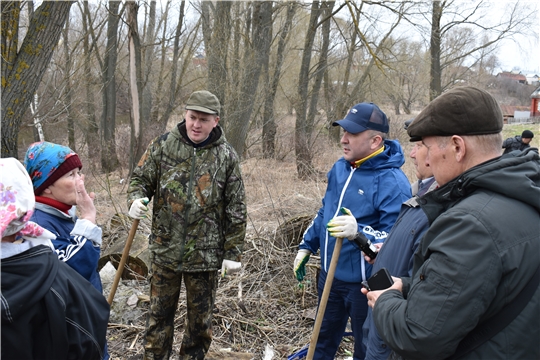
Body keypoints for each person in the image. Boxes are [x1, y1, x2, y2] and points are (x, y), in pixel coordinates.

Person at [363, 86, 540, 359]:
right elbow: (483, 288)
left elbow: (418, 336)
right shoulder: (523, 195)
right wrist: (410, 287)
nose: (424, 157)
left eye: (428, 147)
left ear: (457, 147)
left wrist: (384, 298)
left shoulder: (471, 224)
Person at [127, 90, 247, 360]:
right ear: (185, 116)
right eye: (192, 117)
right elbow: (139, 180)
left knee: (199, 326)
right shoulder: (163, 146)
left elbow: (236, 207)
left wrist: (232, 252)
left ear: (215, 121)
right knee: (158, 319)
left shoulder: (226, 157)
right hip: (164, 250)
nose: (196, 124)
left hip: (204, 256)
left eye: (203, 119)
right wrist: (135, 200)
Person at [294, 102, 412, 359]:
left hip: (366, 284)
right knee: (321, 340)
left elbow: (396, 239)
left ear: (375, 141)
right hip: (330, 275)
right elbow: (326, 211)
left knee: (367, 346)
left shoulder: (393, 182)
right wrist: (307, 245)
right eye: (343, 132)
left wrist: (359, 233)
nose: (343, 140)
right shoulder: (340, 168)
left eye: (352, 134)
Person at [1, 157, 110, 360]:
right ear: (47, 187)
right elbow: (73, 271)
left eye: (80, 173)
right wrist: (88, 220)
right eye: (71, 175)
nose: (80, 181)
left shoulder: (63, 213)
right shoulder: (40, 227)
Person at [361, 119, 438, 360]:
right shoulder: (421, 193)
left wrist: (400, 286)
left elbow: (430, 282)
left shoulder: (440, 208)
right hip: (381, 323)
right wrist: (387, 250)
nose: (412, 154)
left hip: (392, 336)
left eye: (420, 145)